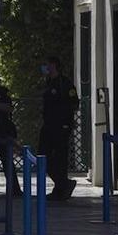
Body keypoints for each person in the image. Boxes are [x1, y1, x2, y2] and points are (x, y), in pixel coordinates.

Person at [39, 56, 79, 201]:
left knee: (60, 158)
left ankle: (60, 189)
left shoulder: (64, 83)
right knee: (43, 155)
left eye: (47, 64)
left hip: (61, 126)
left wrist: (64, 116)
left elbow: (74, 102)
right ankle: (63, 184)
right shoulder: (48, 82)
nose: (45, 68)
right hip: (49, 125)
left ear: (54, 65)